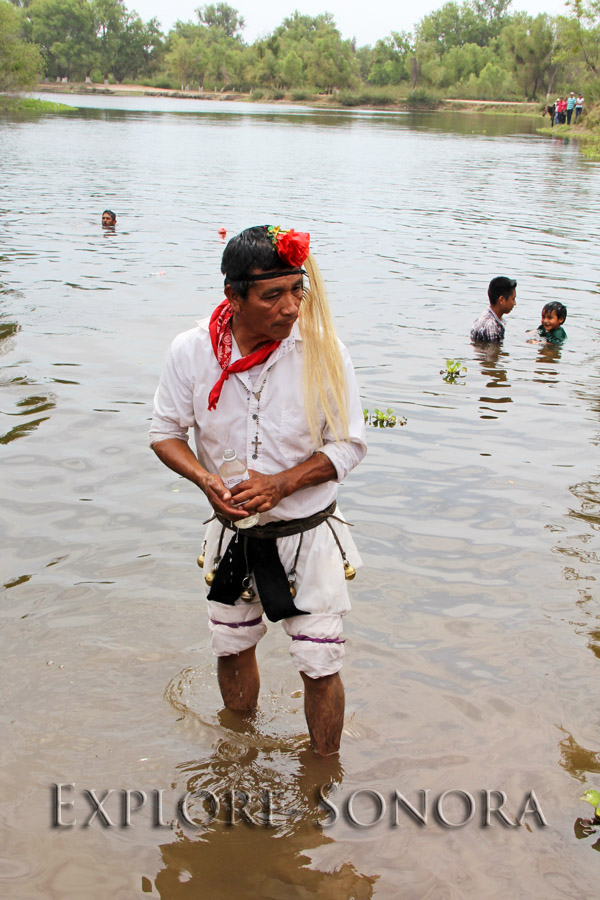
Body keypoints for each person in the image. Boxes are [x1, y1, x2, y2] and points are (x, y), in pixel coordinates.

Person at [149, 225, 367, 756]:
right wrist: (207, 482)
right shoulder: (191, 350)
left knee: (320, 664)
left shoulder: (323, 352)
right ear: (234, 296)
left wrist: (282, 483)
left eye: (298, 290)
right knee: (231, 647)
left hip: (306, 535)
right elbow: (165, 433)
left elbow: (350, 445)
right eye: (273, 295)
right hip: (234, 532)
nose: (291, 308)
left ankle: (322, 772)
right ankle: (237, 754)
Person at [470, 276, 517, 343]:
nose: (514, 303)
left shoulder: (487, 316)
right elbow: (494, 352)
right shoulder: (491, 326)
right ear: (501, 300)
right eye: (513, 299)